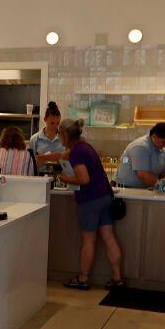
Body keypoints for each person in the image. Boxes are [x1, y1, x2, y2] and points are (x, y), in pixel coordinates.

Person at [56, 120, 123, 290]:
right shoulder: (85, 147)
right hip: (105, 197)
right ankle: (117, 278)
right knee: (109, 237)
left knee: (88, 240)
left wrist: (65, 179)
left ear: (65, 135)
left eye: (59, 134)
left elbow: (84, 179)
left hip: (90, 200)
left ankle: (83, 278)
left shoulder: (77, 152)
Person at [115, 122, 165, 189]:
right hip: (125, 188)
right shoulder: (141, 147)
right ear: (154, 136)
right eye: (163, 142)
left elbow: (163, 175)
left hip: (144, 189)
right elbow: (143, 175)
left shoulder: (163, 152)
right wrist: (163, 187)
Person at [29, 102, 67, 169]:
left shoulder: (64, 138)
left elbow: (68, 161)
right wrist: (44, 158)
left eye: (58, 123)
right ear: (45, 119)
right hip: (41, 176)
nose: (55, 126)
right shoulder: (35, 139)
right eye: (52, 123)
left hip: (60, 176)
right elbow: (30, 163)